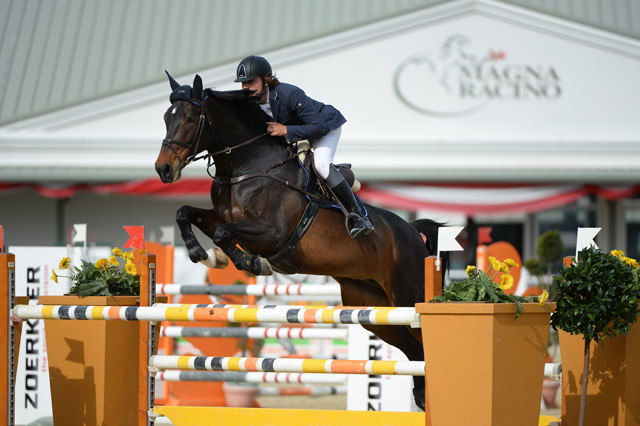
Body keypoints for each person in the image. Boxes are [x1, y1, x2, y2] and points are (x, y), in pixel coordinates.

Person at [234, 55, 374, 239]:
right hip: (298, 135)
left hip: (325, 129)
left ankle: (358, 216)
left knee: (321, 165)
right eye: (243, 84)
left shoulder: (288, 93)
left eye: (251, 82)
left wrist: (285, 129)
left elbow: (319, 126)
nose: (246, 88)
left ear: (265, 80)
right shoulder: (250, 105)